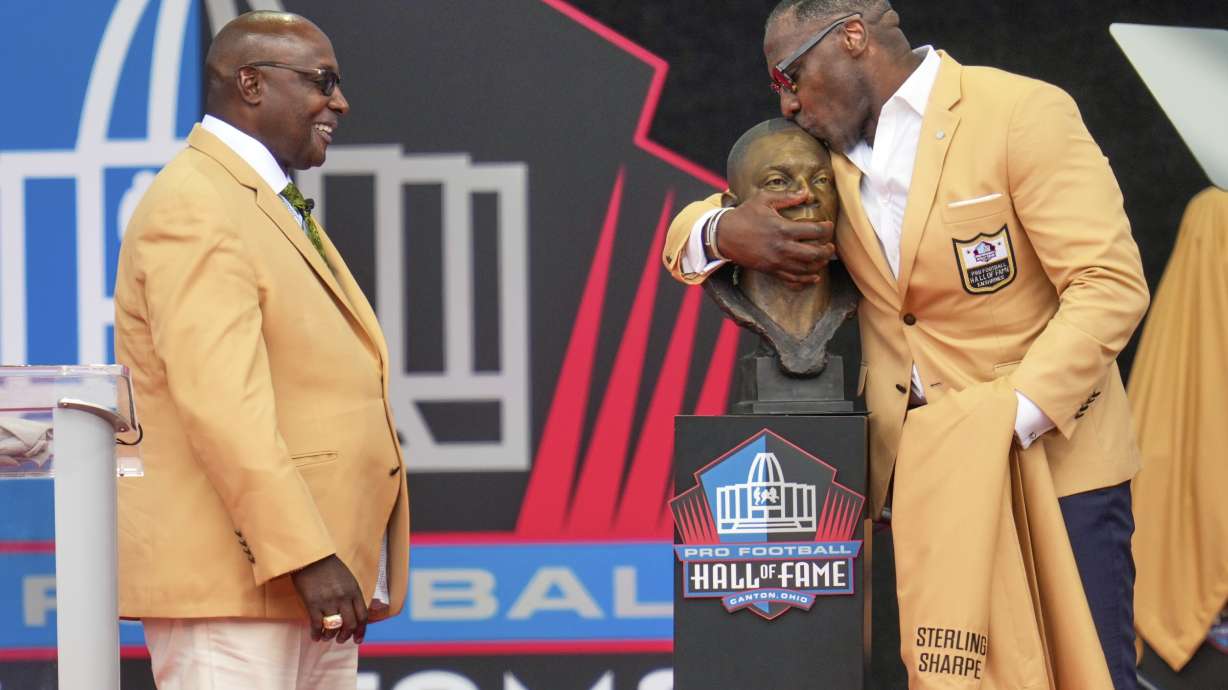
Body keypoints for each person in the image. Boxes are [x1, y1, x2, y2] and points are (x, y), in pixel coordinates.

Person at [662, 1, 1149, 687]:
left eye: (791, 75)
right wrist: (723, 232)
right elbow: (685, 234)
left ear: (853, 37)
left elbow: (1108, 284)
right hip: (924, 484)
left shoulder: (1019, 112)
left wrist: (1005, 420)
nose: (790, 103)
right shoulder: (820, 162)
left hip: (1053, 465)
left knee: (1087, 676)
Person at [114, 11, 409, 689]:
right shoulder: (197, 204)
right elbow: (223, 407)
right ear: (250, 84)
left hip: (294, 589)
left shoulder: (252, 199)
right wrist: (307, 555)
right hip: (244, 587)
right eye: (322, 82)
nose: (339, 102)